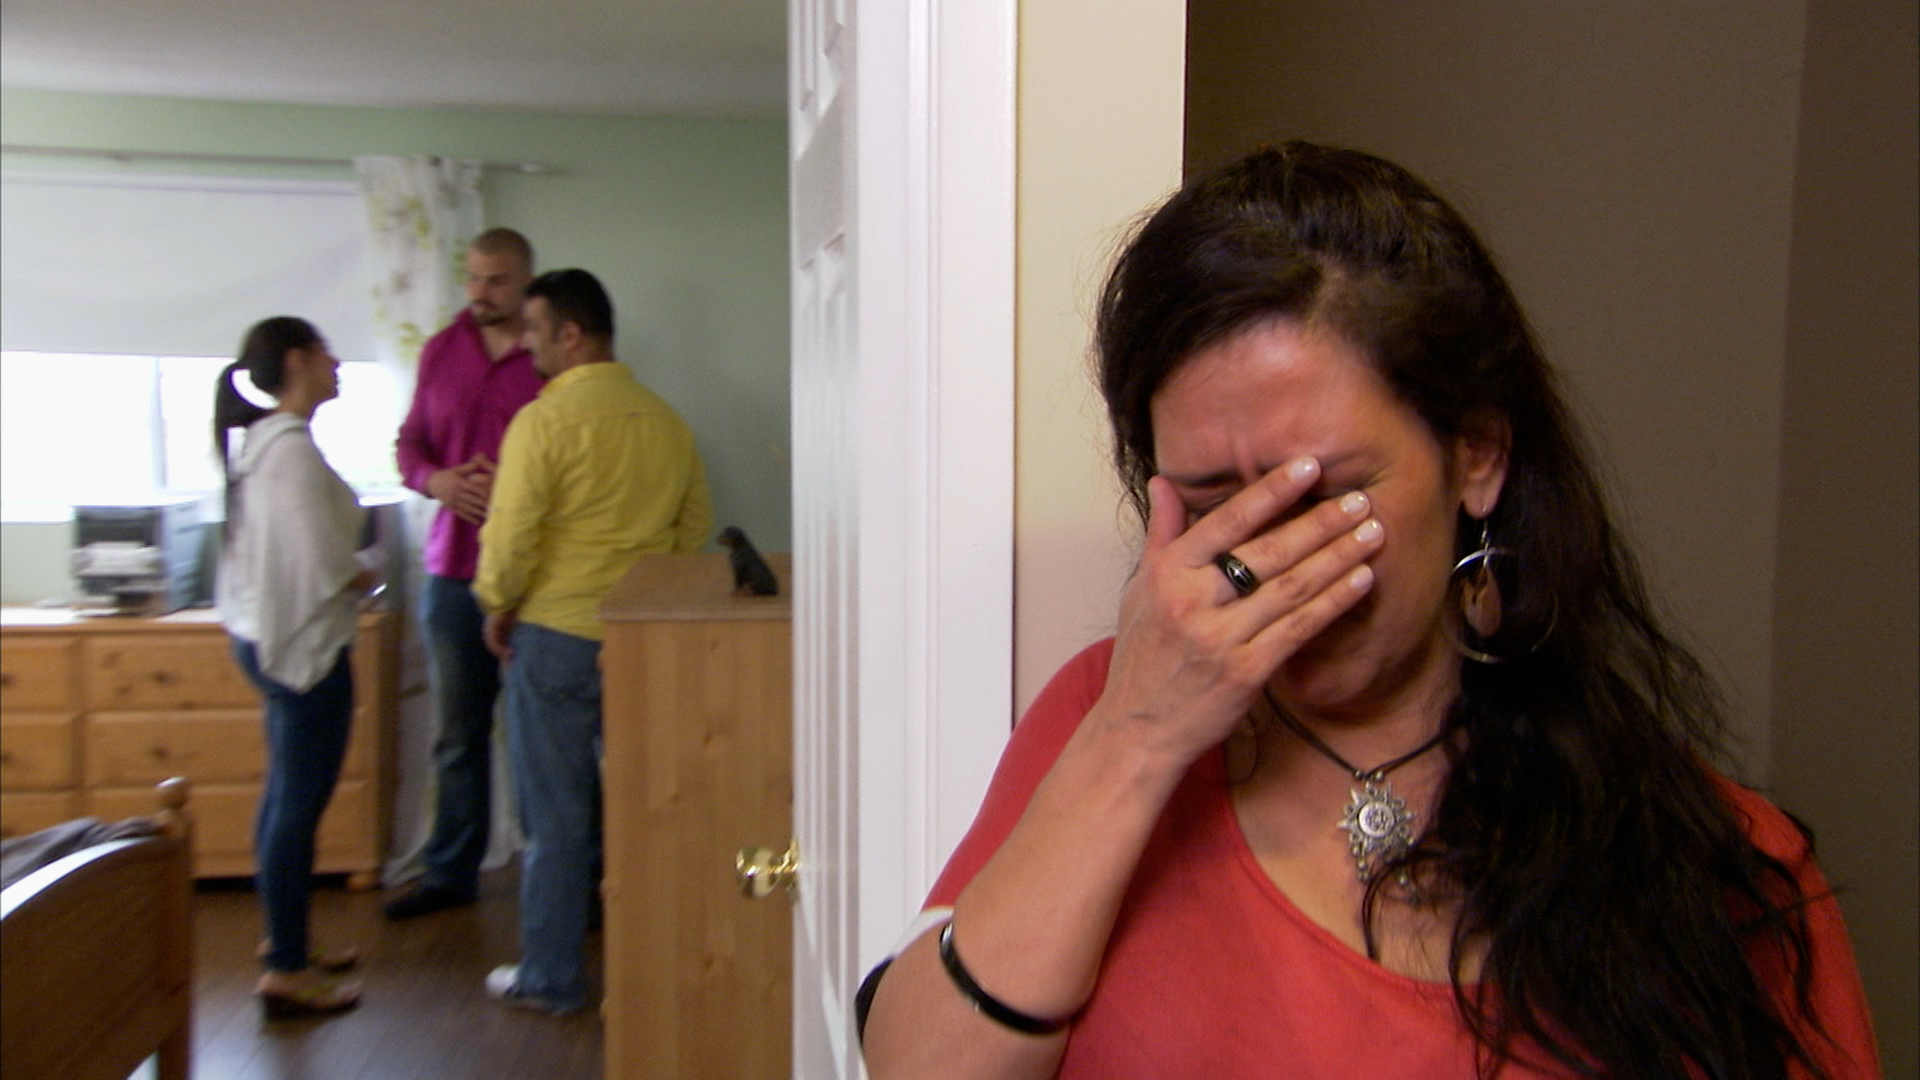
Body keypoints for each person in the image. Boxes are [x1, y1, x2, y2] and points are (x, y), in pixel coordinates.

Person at [859, 144, 1880, 1078]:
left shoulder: (1717, 866)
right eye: (1215, 506)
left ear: (1475, 456)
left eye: (1331, 495)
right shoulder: (1103, 712)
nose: (1272, 562)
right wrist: (1134, 740)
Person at [474, 268, 713, 1013]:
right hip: (641, 644)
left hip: (554, 637)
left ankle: (552, 976)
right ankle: (663, 974)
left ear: (571, 335)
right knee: (651, 811)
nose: (525, 344)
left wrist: (496, 603)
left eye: (534, 330)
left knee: (557, 822)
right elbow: (693, 530)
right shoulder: (667, 422)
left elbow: (510, 538)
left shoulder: (542, 422)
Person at [214, 316, 380, 1018]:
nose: (336, 362)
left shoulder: (269, 447)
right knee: (297, 805)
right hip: (301, 653)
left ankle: (287, 941)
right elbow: (320, 561)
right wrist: (367, 575)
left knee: (285, 795)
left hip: (263, 640)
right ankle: (286, 967)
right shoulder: (288, 455)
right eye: (325, 351)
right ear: (296, 360)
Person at [384, 227, 546, 920]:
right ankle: (451, 873)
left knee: (545, 736)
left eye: (496, 280)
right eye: (473, 278)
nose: (481, 292)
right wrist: (438, 480)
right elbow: (409, 445)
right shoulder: (442, 350)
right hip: (453, 572)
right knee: (457, 734)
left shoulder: (550, 354)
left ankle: (567, 876)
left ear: (525, 280)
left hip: (538, 578)